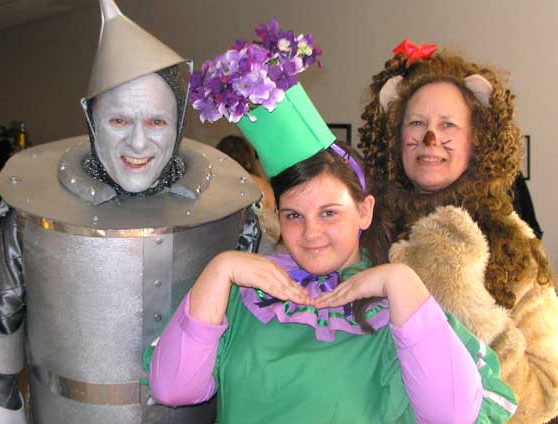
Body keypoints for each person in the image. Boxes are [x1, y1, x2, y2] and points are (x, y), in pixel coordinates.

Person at [148, 23, 516, 424]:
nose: (310, 233)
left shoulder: (400, 308)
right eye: (293, 215)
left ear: (364, 210)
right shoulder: (245, 295)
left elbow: (453, 417)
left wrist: (400, 282)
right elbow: (174, 388)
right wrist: (221, 270)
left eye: (329, 213)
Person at [0, 1, 260, 423]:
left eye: (157, 123)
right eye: (119, 121)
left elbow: (255, 348)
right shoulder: (26, 218)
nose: (139, 144)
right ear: (93, 119)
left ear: (180, 122)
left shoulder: (236, 217)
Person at [359, 39, 558, 424]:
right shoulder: (362, 226)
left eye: (447, 124)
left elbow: (546, 397)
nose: (429, 139)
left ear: (476, 141)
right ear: (396, 139)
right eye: (417, 123)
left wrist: (465, 303)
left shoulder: (514, 244)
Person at [216, 134, 280, 244]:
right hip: (267, 244)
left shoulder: (219, 185)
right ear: (248, 157)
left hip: (232, 244)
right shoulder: (264, 185)